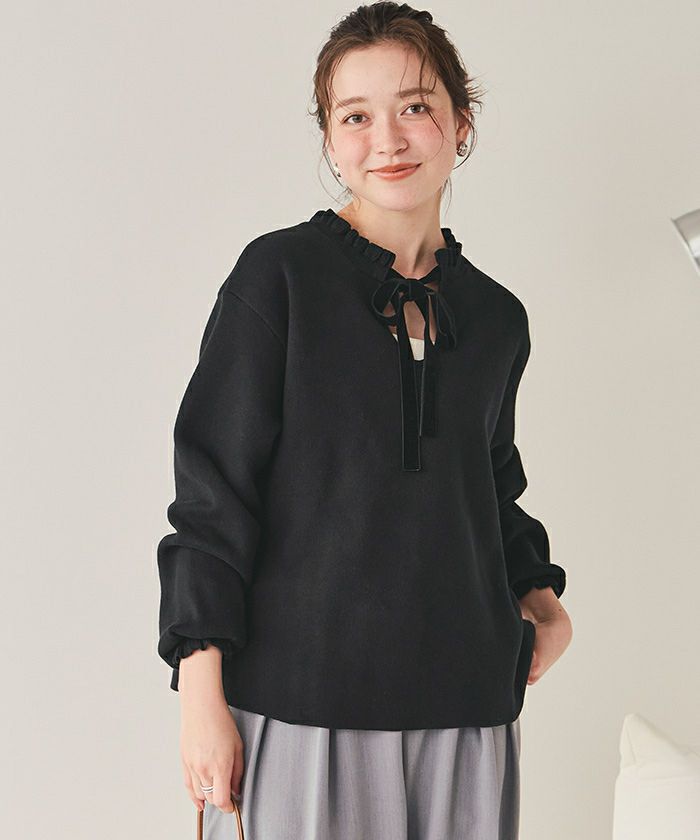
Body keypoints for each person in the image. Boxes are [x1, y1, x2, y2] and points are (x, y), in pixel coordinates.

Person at [156, 3, 573, 838]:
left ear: (461, 121)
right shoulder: (278, 277)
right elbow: (213, 495)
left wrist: (545, 605)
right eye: (355, 116)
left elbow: (490, 489)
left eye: (415, 106)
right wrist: (201, 698)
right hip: (301, 707)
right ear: (329, 137)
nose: (387, 139)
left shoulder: (497, 318)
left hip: (468, 713)